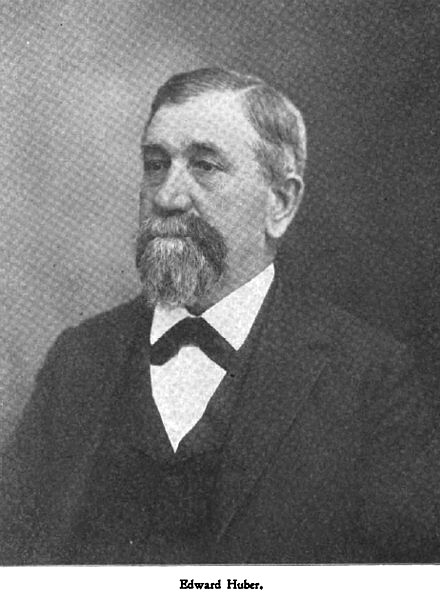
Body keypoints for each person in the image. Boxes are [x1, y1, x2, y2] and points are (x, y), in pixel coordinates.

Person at [1, 67, 439, 565]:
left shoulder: (370, 379)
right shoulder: (79, 358)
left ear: (281, 202)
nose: (167, 197)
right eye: (156, 164)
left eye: (205, 166)